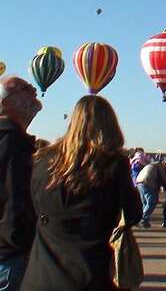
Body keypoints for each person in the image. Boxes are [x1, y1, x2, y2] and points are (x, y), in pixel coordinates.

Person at [21, 95, 142, 291]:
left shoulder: (42, 159)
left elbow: (29, 205)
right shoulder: (114, 163)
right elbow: (133, 213)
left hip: (41, 272)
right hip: (89, 271)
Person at [0, 77, 41, 291]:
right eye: (27, 89)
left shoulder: (15, 140)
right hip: (9, 256)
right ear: (6, 103)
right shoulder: (12, 143)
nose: (35, 92)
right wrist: (21, 243)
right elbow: (16, 199)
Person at [134, 155, 162, 228]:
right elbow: (163, 179)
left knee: (144, 203)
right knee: (151, 202)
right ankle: (143, 220)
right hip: (146, 183)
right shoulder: (158, 167)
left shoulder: (148, 166)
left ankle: (143, 220)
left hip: (139, 182)